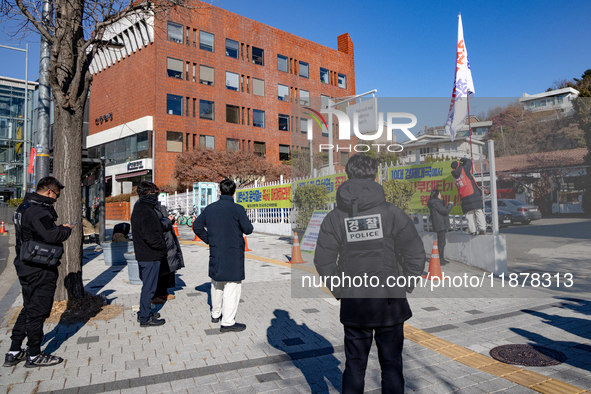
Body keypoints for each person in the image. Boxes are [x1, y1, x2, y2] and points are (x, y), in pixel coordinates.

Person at [314, 154, 426, 393]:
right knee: (392, 367)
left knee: (354, 367)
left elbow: (323, 261)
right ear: (375, 176)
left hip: (355, 303)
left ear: (348, 175)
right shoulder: (392, 213)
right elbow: (416, 253)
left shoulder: (334, 217)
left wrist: (340, 289)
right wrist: (405, 283)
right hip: (389, 303)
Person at [6, 177, 73, 368]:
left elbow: (37, 232)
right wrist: (66, 230)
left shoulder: (24, 207)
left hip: (25, 265)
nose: (57, 200)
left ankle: (14, 350)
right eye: (57, 195)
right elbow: (51, 235)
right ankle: (34, 355)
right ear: (50, 192)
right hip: (39, 268)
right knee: (37, 312)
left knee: (28, 308)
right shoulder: (38, 211)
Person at [192, 179, 253, 333]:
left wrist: (209, 240)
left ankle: (215, 313)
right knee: (232, 286)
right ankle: (228, 322)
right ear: (234, 192)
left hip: (216, 251)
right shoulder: (238, 209)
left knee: (216, 283)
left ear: (219, 191)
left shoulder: (210, 208)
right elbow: (248, 229)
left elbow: (197, 226)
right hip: (233, 252)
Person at [130, 182, 167, 327]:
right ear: (147, 194)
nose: (156, 196)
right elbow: (150, 236)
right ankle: (145, 317)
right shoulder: (145, 210)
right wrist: (161, 247)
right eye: (154, 193)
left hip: (145, 253)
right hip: (149, 255)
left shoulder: (140, 207)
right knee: (149, 287)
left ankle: (144, 312)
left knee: (148, 285)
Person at [152, 201, 184, 304]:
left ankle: (163, 292)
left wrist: (170, 220)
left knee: (167, 268)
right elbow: (157, 226)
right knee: (158, 270)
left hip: (168, 242)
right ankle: (155, 295)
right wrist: (167, 220)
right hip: (160, 242)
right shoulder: (148, 209)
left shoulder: (160, 207)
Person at [451, 158, 486, 235]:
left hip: (464, 197)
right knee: (478, 211)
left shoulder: (454, 175)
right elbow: (468, 161)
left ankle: (472, 231)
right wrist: (461, 159)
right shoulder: (464, 169)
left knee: (469, 214)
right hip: (473, 193)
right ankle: (482, 228)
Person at [427, 189, 454, 264]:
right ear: (436, 195)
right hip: (440, 224)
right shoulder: (436, 203)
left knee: (441, 242)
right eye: (439, 194)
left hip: (439, 224)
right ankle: (440, 259)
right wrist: (449, 205)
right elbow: (445, 211)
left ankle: (441, 258)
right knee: (441, 242)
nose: (441, 195)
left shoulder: (434, 203)